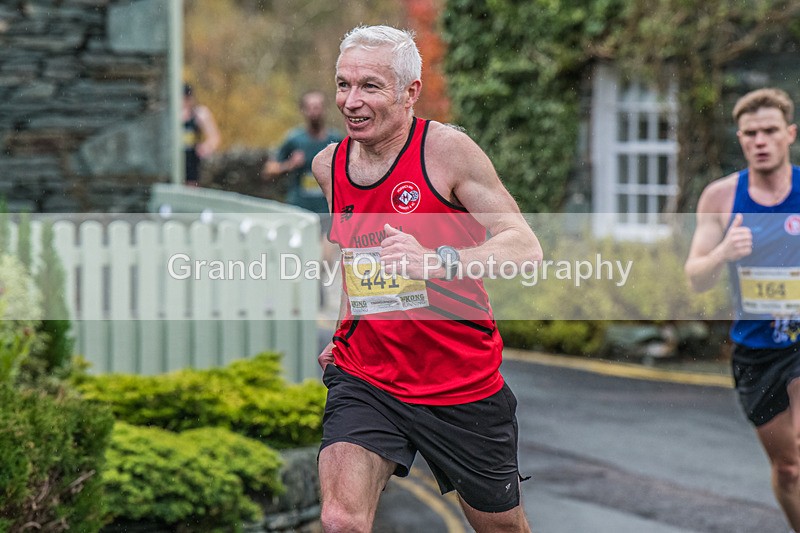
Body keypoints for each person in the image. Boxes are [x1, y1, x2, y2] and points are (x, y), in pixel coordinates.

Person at [311, 25, 542, 532]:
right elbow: (356, 259)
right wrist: (343, 330)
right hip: (366, 374)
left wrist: (437, 262)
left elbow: (524, 246)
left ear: (410, 91)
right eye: (344, 84)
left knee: (501, 526)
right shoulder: (329, 166)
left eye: (370, 86)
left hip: (459, 382)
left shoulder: (448, 152)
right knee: (340, 520)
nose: (351, 101)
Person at [685, 87, 800, 530]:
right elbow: (696, 276)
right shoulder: (720, 198)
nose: (761, 141)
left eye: (770, 130)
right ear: (740, 138)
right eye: (751, 133)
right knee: (788, 469)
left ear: (790, 134)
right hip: (757, 350)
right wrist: (723, 253)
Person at [262, 90, 343, 215]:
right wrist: (290, 164)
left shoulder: (336, 140)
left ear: (325, 109)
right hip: (298, 208)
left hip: (327, 209)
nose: (313, 111)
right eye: (309, 107)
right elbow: (268, 170)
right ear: (303, 110)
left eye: (317, 107)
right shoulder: (293, 139)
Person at [182, 83, 221, 186]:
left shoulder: (199, 114)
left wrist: (205, 148)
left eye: (187, 99)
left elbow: (214, 137)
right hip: (175, 160)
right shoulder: (170, 114)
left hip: (192, 161)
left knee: (191, 187)